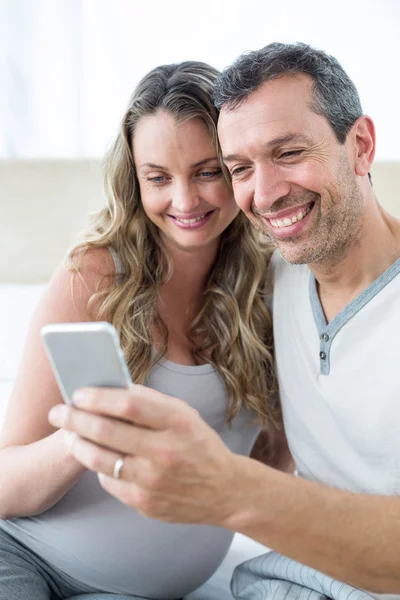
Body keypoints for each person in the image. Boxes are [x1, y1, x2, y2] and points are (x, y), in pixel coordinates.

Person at [48, 42, 400, 598]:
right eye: (239, 168)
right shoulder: (275, 277)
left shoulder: (273, 277)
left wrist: (232, 488)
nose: (265, 194)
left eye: (288, 153)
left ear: (360, 145)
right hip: (284, 580)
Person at [0, 61, 281, 599]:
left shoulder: (273, 287)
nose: (184, 201)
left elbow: (272, 464)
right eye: (158, 178)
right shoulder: (94, 274)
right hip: (24, 555)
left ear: (237, 166)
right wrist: (85, 437)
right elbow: (6, 486)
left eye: (206, 172)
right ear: (134, 179)